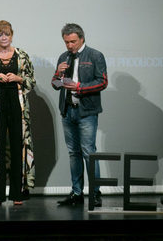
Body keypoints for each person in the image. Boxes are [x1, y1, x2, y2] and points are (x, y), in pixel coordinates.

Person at [0, 20, 35, 205]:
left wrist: (18, 78)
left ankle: (18, 194)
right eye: (0, 35)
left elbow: (31, 81)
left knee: (19, 146)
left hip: (18, 106)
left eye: (7, 34)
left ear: (12, 35)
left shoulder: (22, 55)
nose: (4, 38)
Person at [51, 22, 107, 208]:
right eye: (66, 42)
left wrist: (79, 87)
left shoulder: (95, 55)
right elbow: (55, 84)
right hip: (68, 111)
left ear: (82, 39)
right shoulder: (63, 56)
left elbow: (102, 82)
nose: (69, 45)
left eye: (73, 41)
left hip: (86, 112)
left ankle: (95, 193)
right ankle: (76, 193)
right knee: (73, 153)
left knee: (89, 153)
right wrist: (58, 75)